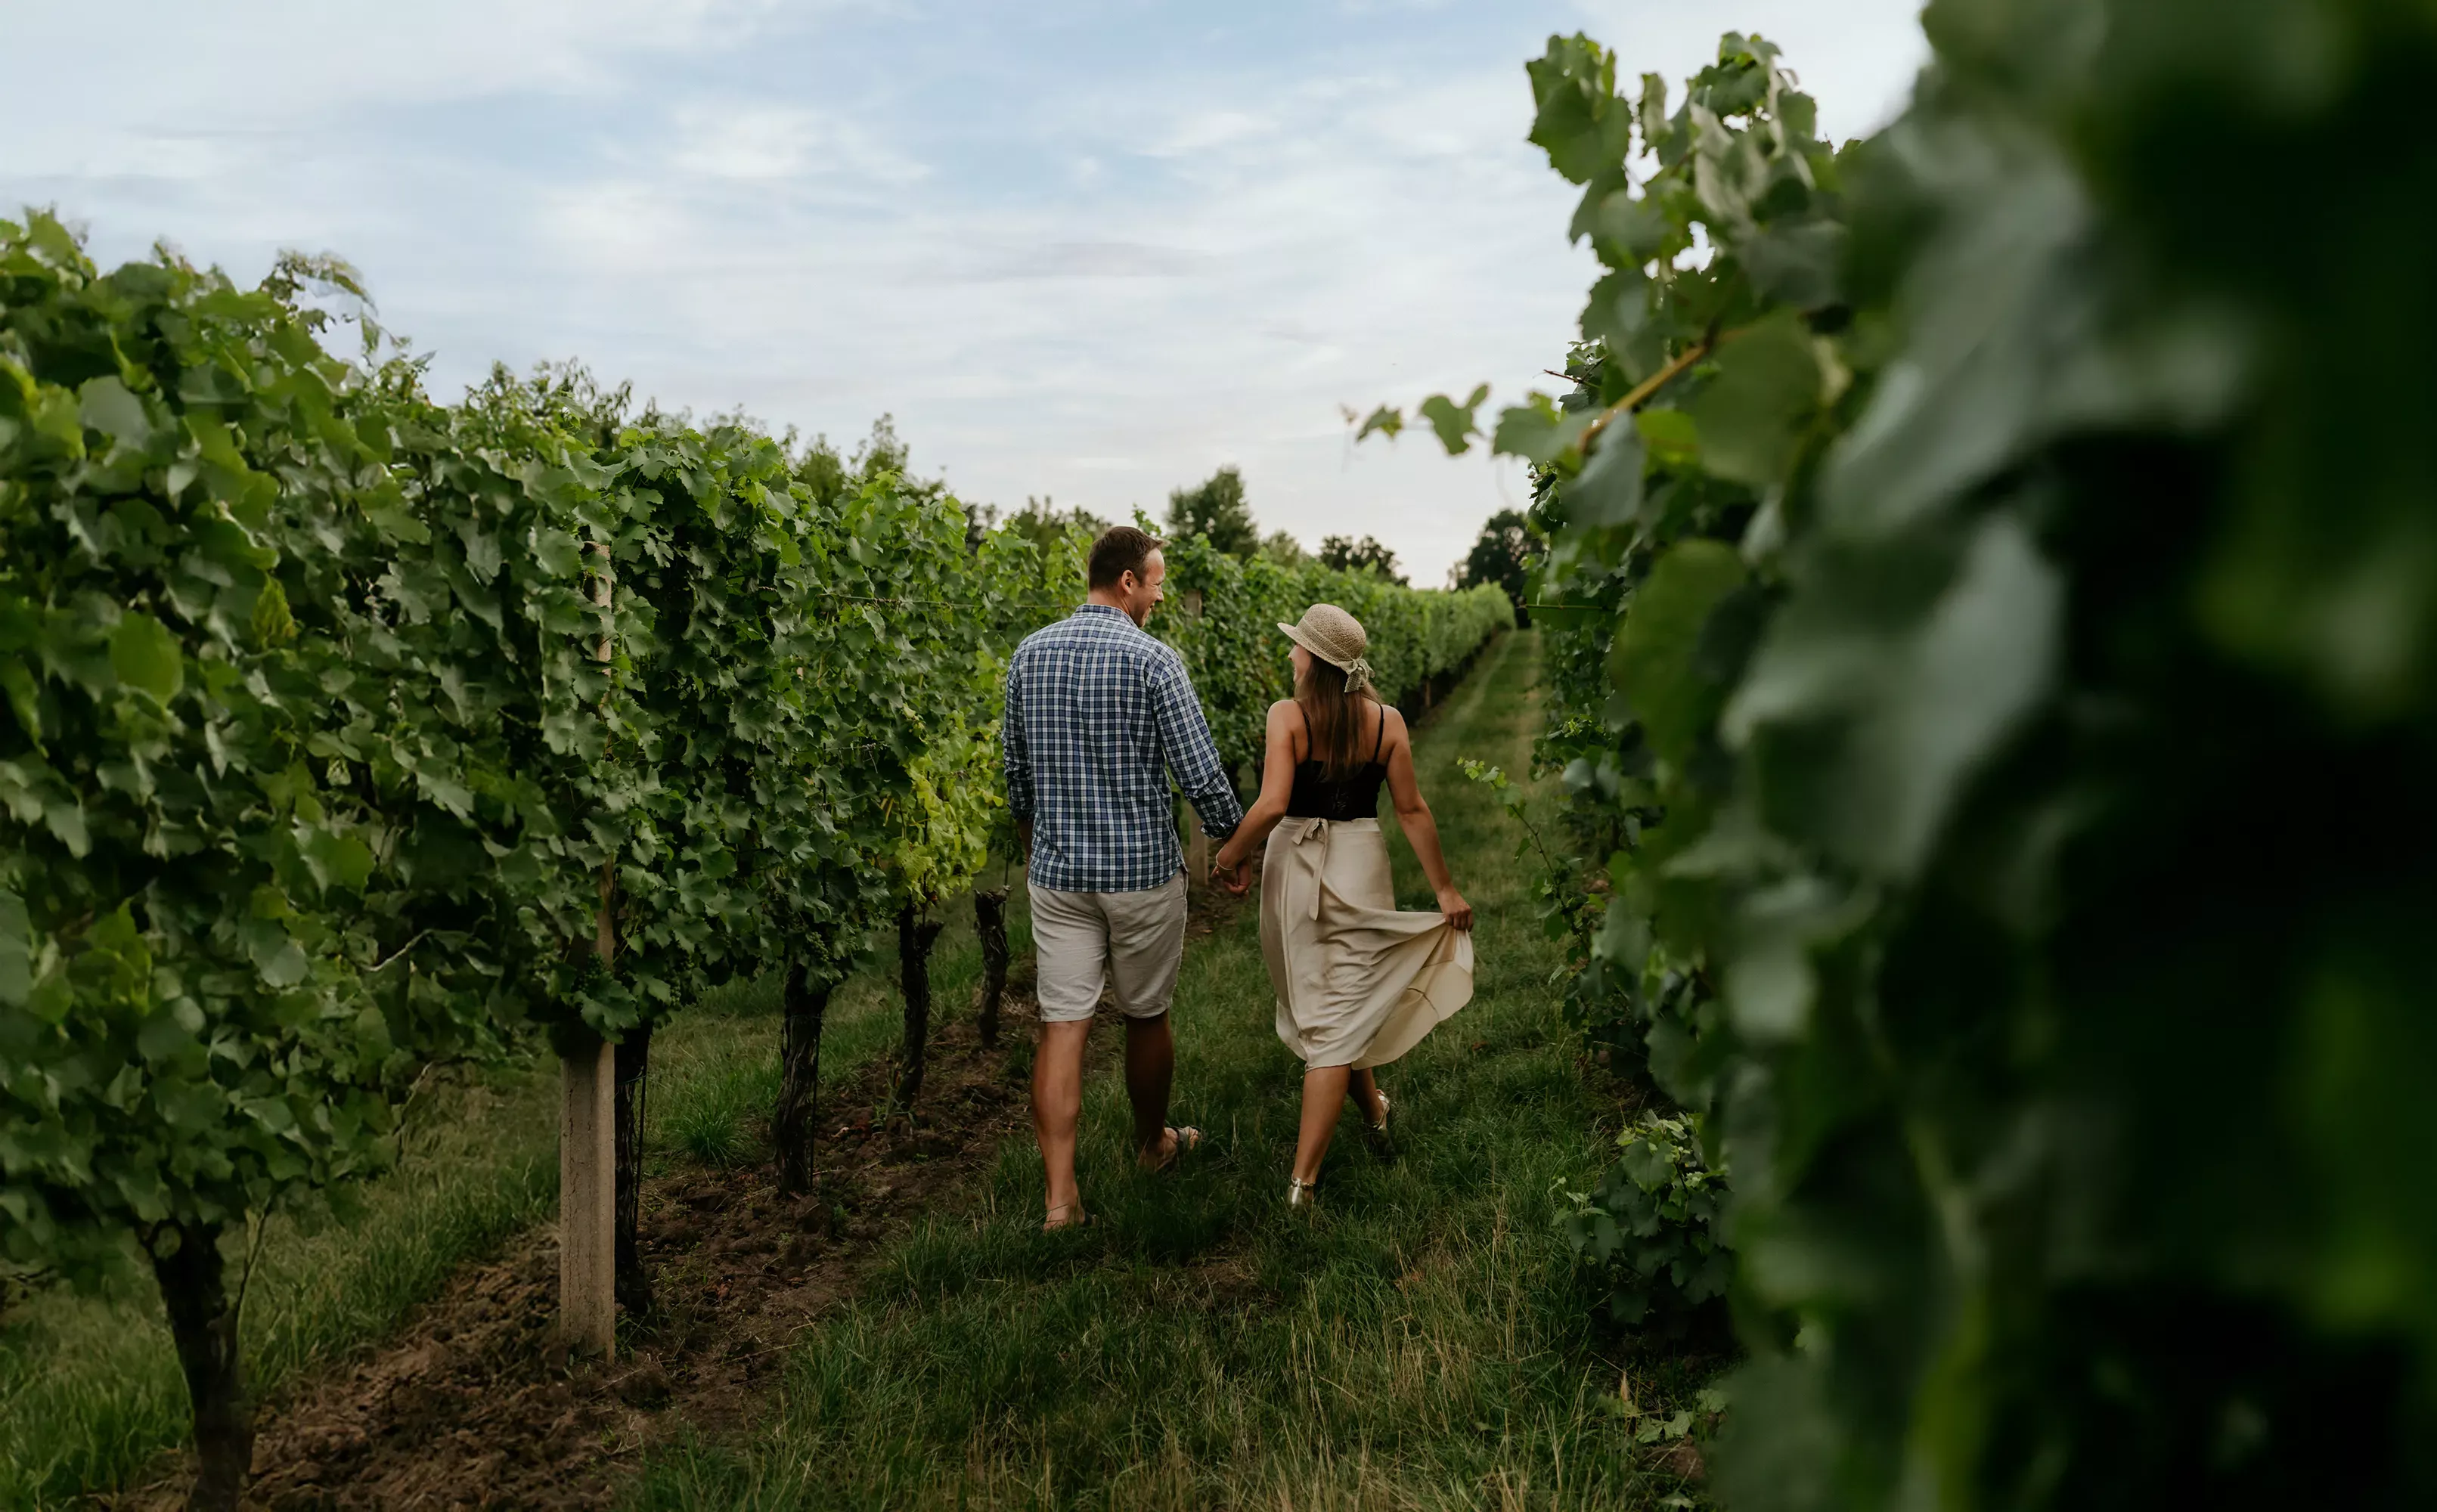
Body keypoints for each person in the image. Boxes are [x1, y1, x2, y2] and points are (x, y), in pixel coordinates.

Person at [1002, 525, 1247, 1230]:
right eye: (1157, 583)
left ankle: (1059, 1200)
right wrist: (1231, 843)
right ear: (1128, 581)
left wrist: (1037, 847)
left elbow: (1017, 775)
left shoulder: (1028, 655)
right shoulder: (1153, 661)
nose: (1160, 597)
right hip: (1139, 873)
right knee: (1145, 1015)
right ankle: (1151, 1145)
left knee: (1062, 1025)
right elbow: (1199, 770)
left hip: (1059, 876)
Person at [1214, 603, 1474, 1207]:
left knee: (1327, 1016)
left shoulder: (1287, 716)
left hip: (1296, 865)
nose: (1290, 654)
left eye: (1296, 646)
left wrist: (1228, 857)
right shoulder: (1388, 722)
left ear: (1314, 660)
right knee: (1343, 1002)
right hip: (1360, 863)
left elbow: (1272, 804)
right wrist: (1444, 889)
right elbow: (1410, 809)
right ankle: (1375, 1113)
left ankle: (1301, 1184)